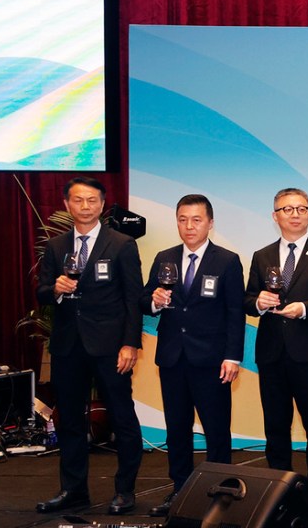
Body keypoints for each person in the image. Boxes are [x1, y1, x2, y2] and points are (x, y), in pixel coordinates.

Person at [36, 177, 145, 516]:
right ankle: (73, 491)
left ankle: (124, 491)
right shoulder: (56, 246)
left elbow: (133, 299)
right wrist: (55, 288)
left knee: (122, 418)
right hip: (68, 346)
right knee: (69, 420)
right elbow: (41, 293)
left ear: (102, 204)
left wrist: (130, 344)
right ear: (67, 204)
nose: (85, 206)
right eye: (78, 200)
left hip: (111, 347)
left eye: (92, 200)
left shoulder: (122, 244)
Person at [142, 195, 244, 518]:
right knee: (177, 429)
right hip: (172, 358)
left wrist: (233, 357)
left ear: (210, 223)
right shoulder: (165, 257)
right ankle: (180, 491)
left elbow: (235, 313)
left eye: (196, 220)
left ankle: (221, 494)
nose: (189, 226)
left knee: (216, 430)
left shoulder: (227, 261)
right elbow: (145, 299)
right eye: (183, 219)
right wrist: (155, 300)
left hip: (212, 360)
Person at [246, 187, 308, 493]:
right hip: (271, 353)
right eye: (287, 209)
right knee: (276, 426)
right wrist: (258, 303)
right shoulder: (261, 256)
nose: (295, 215)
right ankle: (279, 490)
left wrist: (305, 308)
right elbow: (247, 299)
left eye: (301, 209)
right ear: (275, 216)